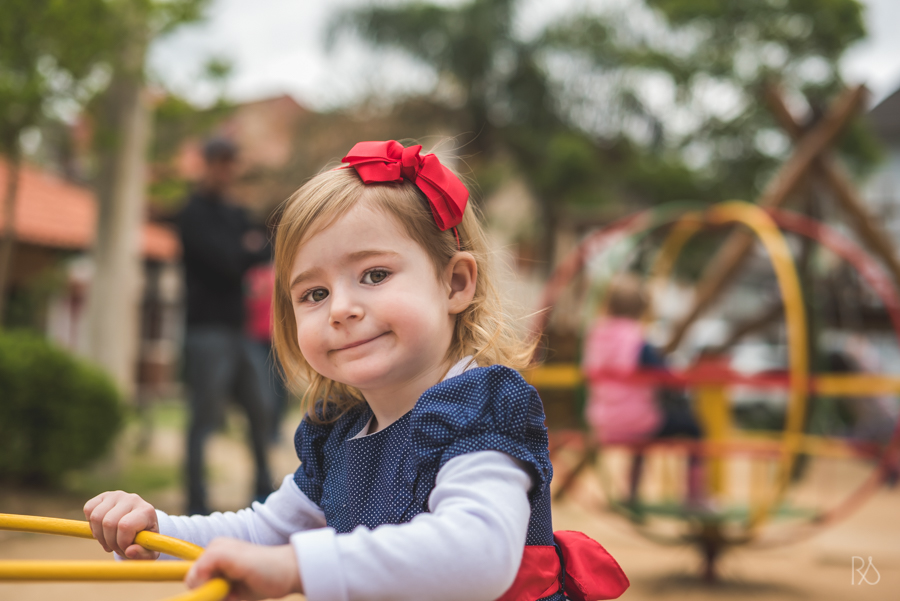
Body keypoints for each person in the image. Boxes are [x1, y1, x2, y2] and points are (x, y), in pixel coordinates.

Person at [83, 140, 630, 601]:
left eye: (373, 274)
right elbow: (265, 531)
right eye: (314, 293)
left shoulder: (478, 411)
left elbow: (479, 551)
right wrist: (160, 528)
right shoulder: (339, 434)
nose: (341, 308)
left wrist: (302, 567)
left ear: (456, 284)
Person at [178, 137, 274, 516]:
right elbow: (228, 262)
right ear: (205, 164)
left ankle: (264, 495)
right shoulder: (192, 213)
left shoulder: (237, 213)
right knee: (204, 417)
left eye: (230, 162)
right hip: (206, 331)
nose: (226, 169)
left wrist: (245, 249)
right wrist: (244, 250)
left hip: (241, 329)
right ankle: (196, 502)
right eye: (219, 161)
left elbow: (264, 250)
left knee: (260, 410)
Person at [581, 274, 702, 506]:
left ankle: (633, 494)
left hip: (601, 420)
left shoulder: (595, 335)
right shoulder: (637, 340)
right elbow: (666, 377)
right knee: (693, 428)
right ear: (642, 308)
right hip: (636, 422)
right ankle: (695, 496)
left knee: (644, 431)